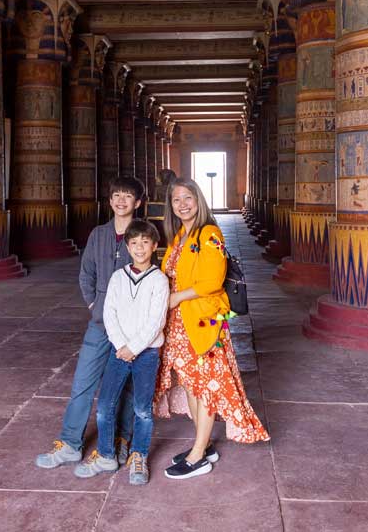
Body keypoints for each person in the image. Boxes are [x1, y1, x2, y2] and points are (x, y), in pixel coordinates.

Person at [155, 177, 269, 479]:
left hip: (203, 321)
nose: (182, 204)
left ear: (199, 200)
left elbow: (211, 281)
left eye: (188, 198)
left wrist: (176, 296)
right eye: (176, 199)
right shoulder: (180, 235)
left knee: (204, 385)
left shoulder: (209, 233)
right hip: (180, 324)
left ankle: (198, 457)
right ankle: (202, 445)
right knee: (192, 383)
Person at [35, 176, 147, 470]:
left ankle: (121, 441)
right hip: (99, 324)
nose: (121, 201)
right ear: (110, 201)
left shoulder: (145, 234)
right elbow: (86, 275)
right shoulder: (98, 234)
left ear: (137, 203)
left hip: (131, 327)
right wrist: (95, 305)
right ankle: (70, 443)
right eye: (116, 195)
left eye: (127, 196)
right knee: (82, 384)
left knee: (125, 386)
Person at [74, 219, 169, 485]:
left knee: (142, 409)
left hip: (146, 353)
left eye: (145, 242)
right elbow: (109, 313)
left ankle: (138, 455)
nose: (140, 248)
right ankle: (105, 455)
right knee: (105, 406)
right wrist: (121, 346)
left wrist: (134, 347)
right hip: (119, 351)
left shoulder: (159, 280)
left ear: (154, 246)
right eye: (134, 243)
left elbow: (156, 320)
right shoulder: (118, 277)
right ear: (127, 247)